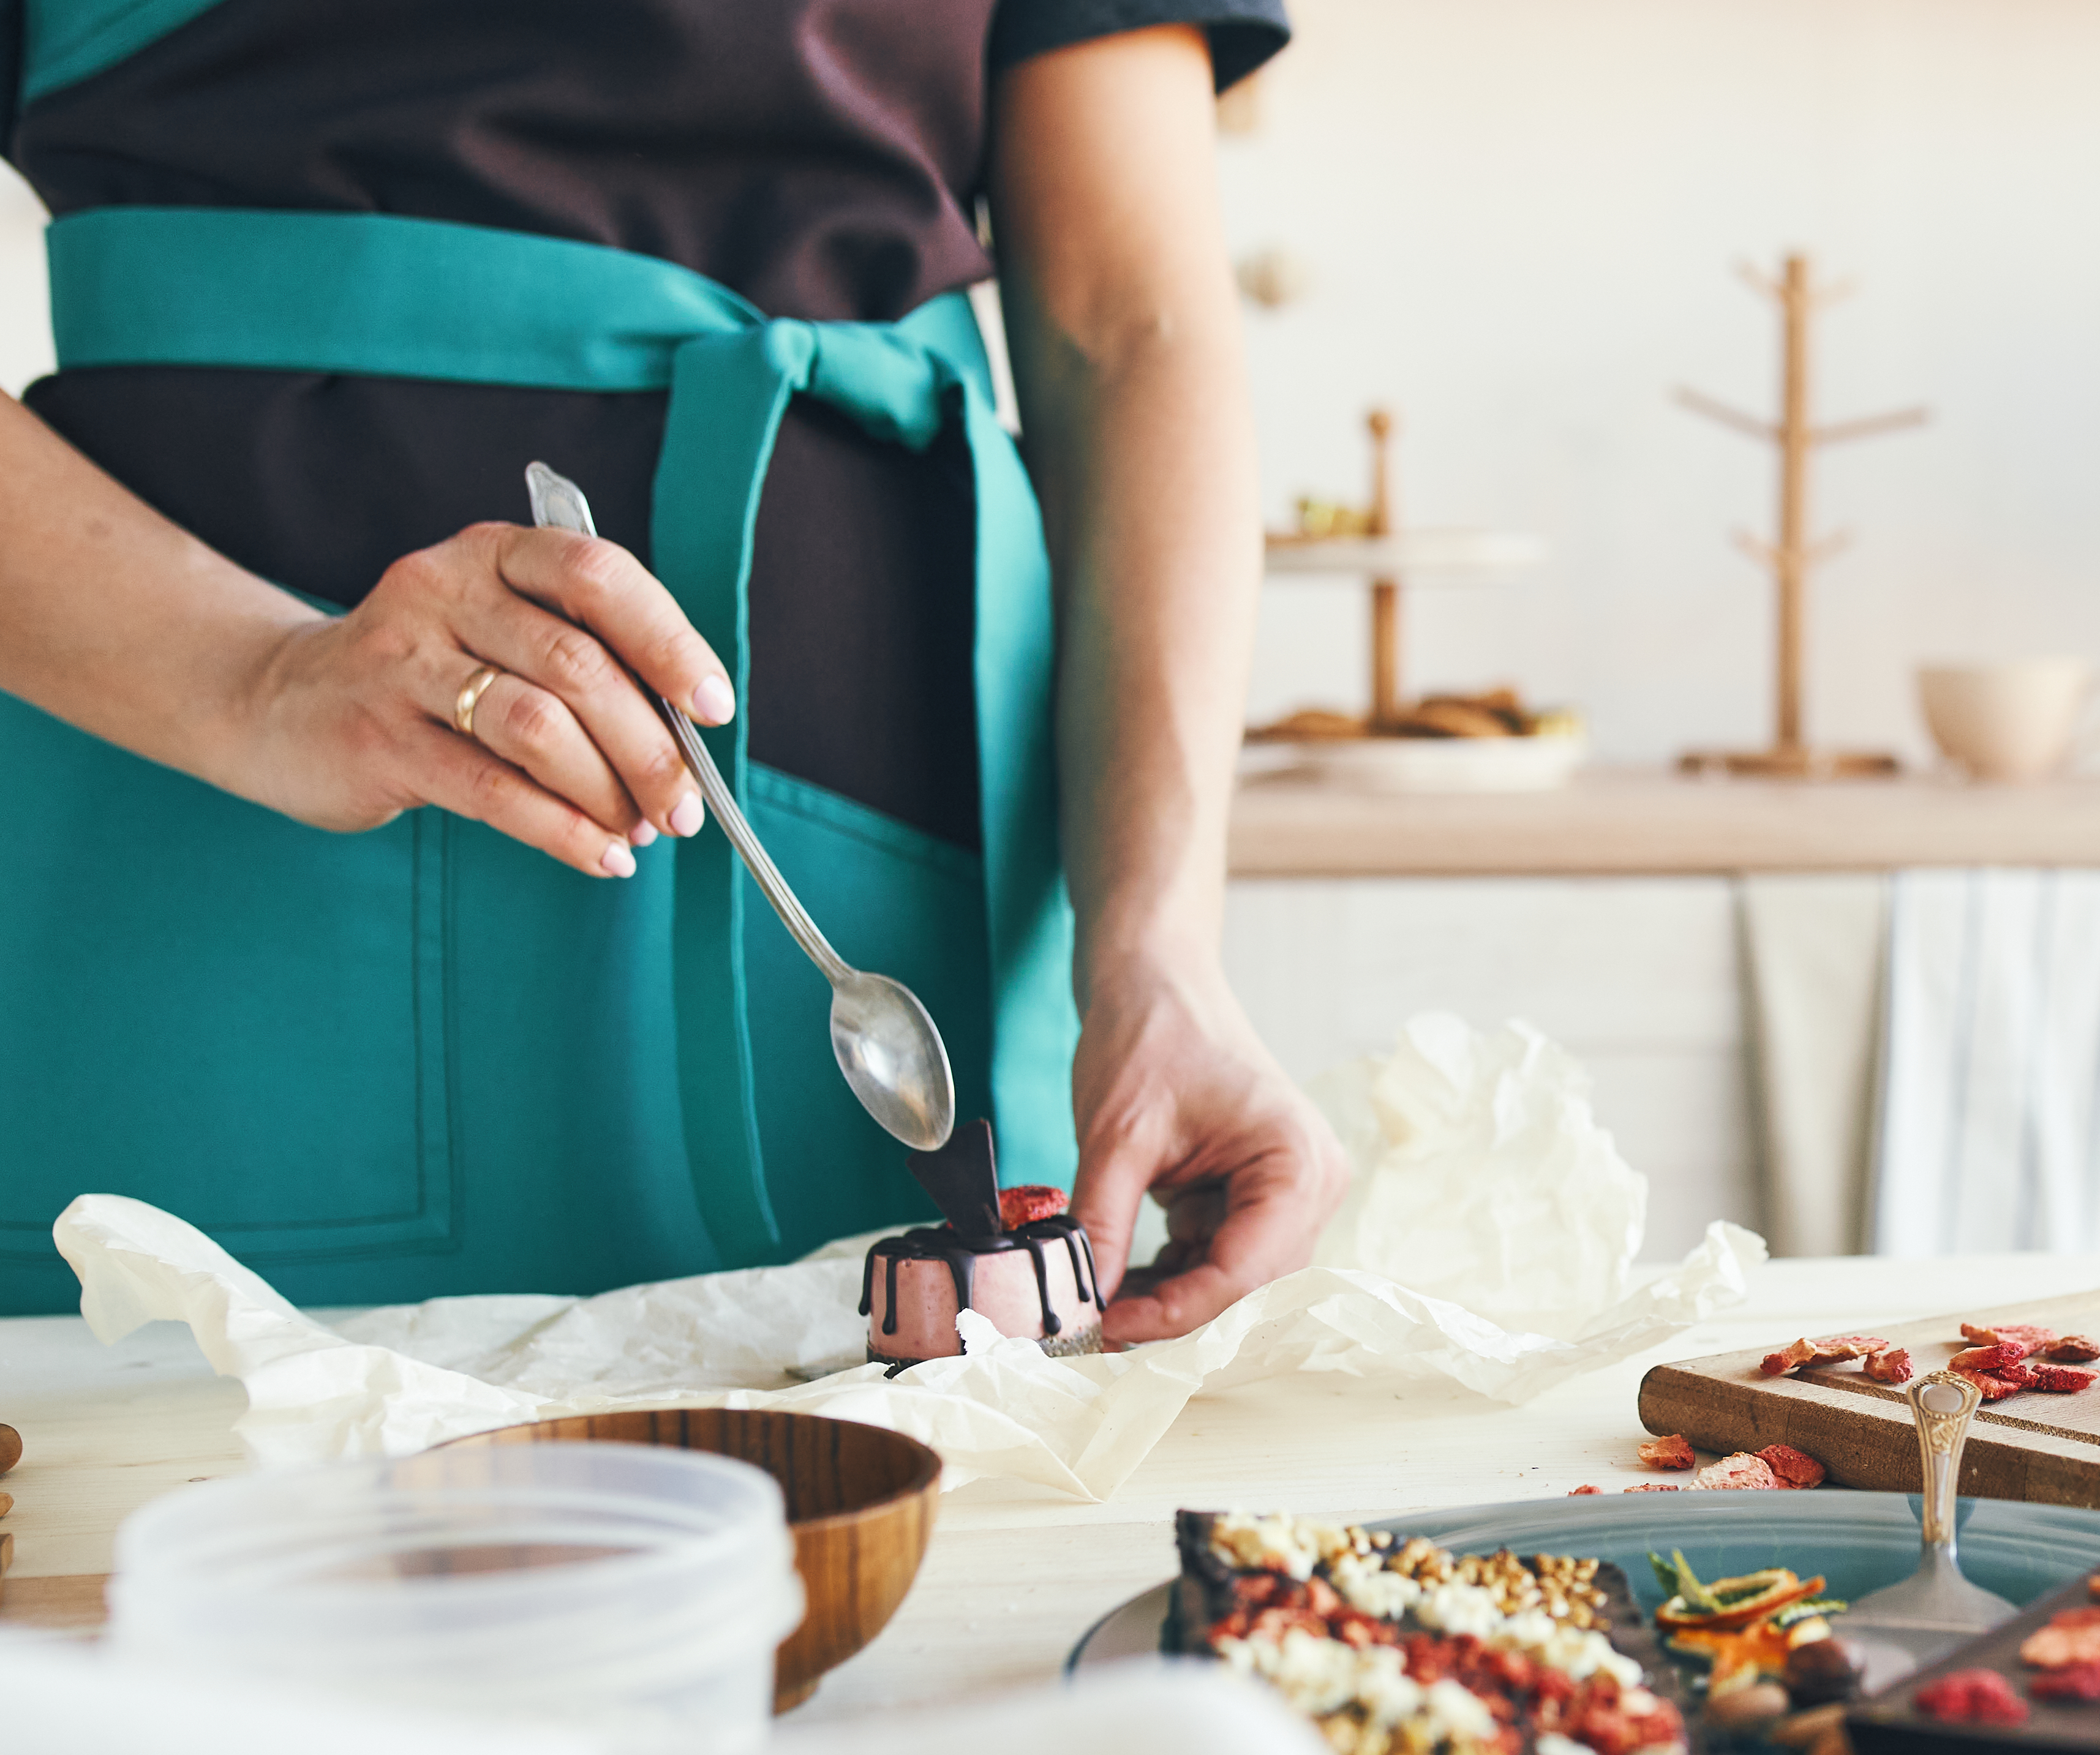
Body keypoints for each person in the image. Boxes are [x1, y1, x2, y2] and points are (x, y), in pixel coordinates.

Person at [0, 0, 1342, 1344]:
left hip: (914, 872)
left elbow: (1131, 328)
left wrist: (1160, 955)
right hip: (211, 864)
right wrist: (258, 679)